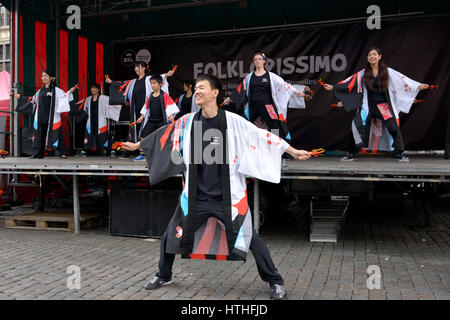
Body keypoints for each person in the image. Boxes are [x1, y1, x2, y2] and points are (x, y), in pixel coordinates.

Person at [122, 74, 311, 300]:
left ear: (215, 93)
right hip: (196, 196)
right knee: (170, 235)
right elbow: (165, 132)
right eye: (197, 88)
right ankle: (164, 274)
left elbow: (262, 136)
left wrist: (291, 150)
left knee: (251, 239)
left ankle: (275, 282)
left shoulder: (233, 121)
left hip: (227, 197)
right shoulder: (188, 121)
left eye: (202, 88)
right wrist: (138, 145)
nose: (198, 91)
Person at [323, 47, 430, 162]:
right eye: (369, 55)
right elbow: (350, 82)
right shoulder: (363, 73)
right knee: (355, 126)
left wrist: (417, 86)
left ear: (379, 56)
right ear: (367, 58)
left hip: (383, 106)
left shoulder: (387, 71)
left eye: (374, 54)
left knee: (393, 128)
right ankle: (351, 153)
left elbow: (402, 80)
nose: (372, 57)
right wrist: (333, 87)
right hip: (368, 106)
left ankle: (399, 153)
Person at [223, 52, 308, 141]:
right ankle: (246, 147)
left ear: (264, 61)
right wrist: (229, 98)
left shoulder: (271, 76)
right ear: (253, 62)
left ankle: (278, 148)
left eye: (260, 59)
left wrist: (297, 92)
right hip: (252, 106)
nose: (257, 61)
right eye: (255, 59)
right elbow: (241, 88)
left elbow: (284, 85)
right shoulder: (249, 77)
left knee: (275, 128)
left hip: (268, 106)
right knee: (244, 124)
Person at [105, 61, 175, 160]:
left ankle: (148, 154)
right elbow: (122, 85)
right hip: (136, 110)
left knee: (147, 132)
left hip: (148, 111)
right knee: (134, 130)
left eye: (138, 67)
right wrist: (111, 82)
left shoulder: (148, 79)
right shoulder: (133, 82)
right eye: (135, 67)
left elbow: (159, 78)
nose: (136, 69)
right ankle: (131, 152)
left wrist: (167, 74)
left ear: (144, 68)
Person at [16, 70, 77, 159]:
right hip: (41, 116)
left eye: (46, 76)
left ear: (51, 78)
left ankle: (62, 152)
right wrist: (20, 97)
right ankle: (39, 153)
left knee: (57, 134)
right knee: (40, 135)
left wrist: (70, 92)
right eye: (42, 76)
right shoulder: (40, 91)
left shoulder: (56, 90)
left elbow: (64, 97)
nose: (43, 78)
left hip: (52, 117)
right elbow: (33, 100)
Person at [132, 75, 179, 161]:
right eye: (151, 83)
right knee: (143, 136)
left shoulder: (164, 95)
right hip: (151, 120)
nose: (152, 85)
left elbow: (170, 106)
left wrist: (171, 115)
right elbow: (146, 107)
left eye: (154, 83)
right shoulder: (150, 95)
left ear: (160, 84)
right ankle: (143, 155)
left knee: (163, 139)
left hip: (161, 120)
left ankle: (165, 157)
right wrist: (142, 116)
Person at [77, 83, 122, 156]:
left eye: (95, 88)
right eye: (92, 88)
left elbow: (112, 101)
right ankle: (85, 149)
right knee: (89, 135)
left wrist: (122, 101)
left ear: (98, 89)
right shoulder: (88, 99)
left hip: (100, 120)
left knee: (103, 135)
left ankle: (108, 149)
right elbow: (85, 109)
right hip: (91, 121)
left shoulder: (103, 98)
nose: (93, 89)